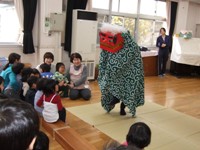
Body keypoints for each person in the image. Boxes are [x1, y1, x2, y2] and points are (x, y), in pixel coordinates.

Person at [98, 23, 144, 116]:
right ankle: (116, 100)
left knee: (127, 88)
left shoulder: (129, 43)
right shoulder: (112, 41)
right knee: (122, 87)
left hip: (129, 72)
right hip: (120, 73)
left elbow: (134, 57)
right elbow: (105, 55)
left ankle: (121, 106)